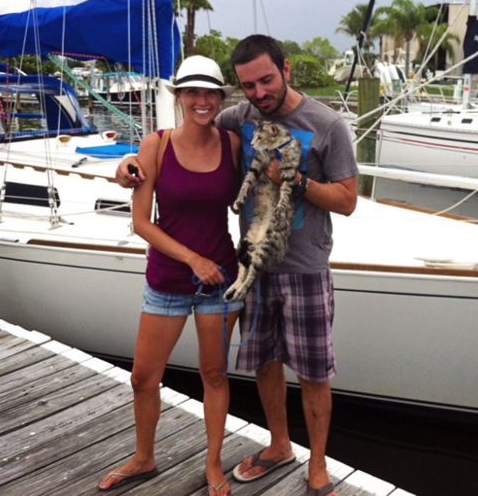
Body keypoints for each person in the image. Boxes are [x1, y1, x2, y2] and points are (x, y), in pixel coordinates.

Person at [117, 36, 358, 496]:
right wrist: (128, 161)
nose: (259, 91)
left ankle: (319, 465)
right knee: (264, 362)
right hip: (252, 269)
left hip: (304, 267)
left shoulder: (327, 125)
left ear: (286, 69)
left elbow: (347, 201)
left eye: (266, 79)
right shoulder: (238, 120)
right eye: (248, 84)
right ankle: (279, 445)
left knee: (311, 371)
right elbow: (184, 139)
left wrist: (297, 178)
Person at [99, 55, 242, 496]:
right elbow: (141, 222)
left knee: (214, 375)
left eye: (210, 92)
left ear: (220, 98)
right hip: (168, 282)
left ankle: (213, 463)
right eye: (192, 92)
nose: (202, 100)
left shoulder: (234, 143)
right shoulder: (154, 145)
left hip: (221, 282)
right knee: (143, 377)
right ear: (178, 97)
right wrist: (192, 259)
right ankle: (144, 457)